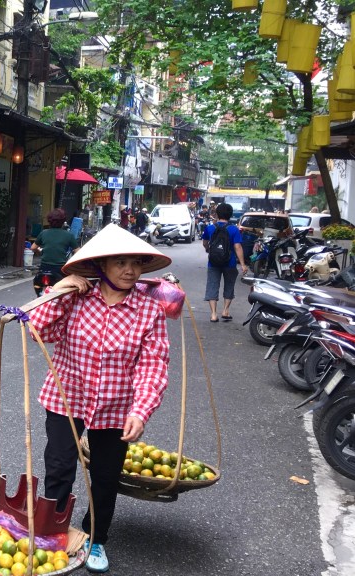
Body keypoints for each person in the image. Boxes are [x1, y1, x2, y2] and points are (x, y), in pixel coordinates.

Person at [27, 224, 171, 573]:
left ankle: (96, 537)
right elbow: (37, 329)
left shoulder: (149, 312)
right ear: (102, 266)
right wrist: (59, 288)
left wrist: (141, 409)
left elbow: (153, 364)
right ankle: (52, 535)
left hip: (116, 406)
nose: (130, 270)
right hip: (66, 397)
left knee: (106, 477)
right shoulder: (76, 298)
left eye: (135, 262)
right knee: (60, 468)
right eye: (120, 262)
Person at [202, 203, 247, 322]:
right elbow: (237, 247)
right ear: (230, 215)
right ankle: (225, 311)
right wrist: (242, 264)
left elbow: (205, 242)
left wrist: (208, 249)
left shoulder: (210, 228)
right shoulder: (234, 229)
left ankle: (213, 314)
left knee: (212, 285)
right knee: (229, 285)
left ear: (217, 214)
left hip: (213, 262)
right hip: (230, 263)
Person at [32, 208, 76, 287]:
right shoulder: (69, 235)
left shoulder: (43, 233)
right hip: (61, 269)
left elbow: (33, 248)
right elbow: (78, 251)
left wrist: (41, 252)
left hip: (44, 267)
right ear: (63, 222)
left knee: (39, 285)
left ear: (49, 221)